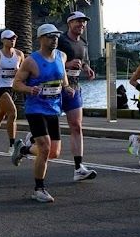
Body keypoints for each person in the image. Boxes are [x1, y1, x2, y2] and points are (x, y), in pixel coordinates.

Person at [10, 23, 71, 203]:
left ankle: (24, 149)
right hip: (35, 109)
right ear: (41, 39)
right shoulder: (31, 60)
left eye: (57, 37)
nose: (55, 40)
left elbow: (63, 78)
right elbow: (16, 83)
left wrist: (67, 88)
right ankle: (39, 189)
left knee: (54, 153)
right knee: (44, 148)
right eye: (51, 36)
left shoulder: (62, 56)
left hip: (54, 108)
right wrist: (29, 89)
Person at [58, 12, 97, 181]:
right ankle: (28, 145)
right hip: (56, 88)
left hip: (74, 87)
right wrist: (66, 64)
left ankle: (78, 168)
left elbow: (83, 60)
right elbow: (49, 60)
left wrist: (87, 68)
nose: (82, 24)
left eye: (84, 22)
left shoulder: (83, 42)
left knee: (76, 126)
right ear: (69, 23)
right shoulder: (60, 40)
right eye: (78, 21)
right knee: (47, 125)